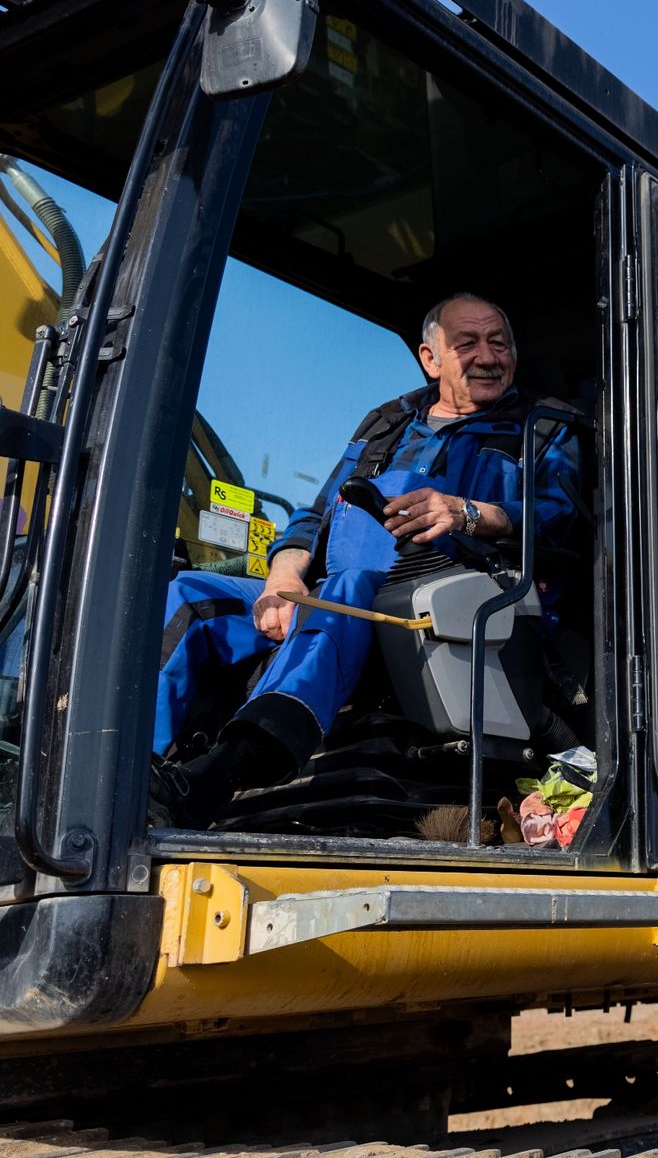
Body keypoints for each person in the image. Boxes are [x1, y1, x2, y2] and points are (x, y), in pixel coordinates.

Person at [151, 293, 581, 828]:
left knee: (349, 587)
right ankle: (139, 775)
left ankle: (233, 767)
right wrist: (283, 575)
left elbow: (558, 519)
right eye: (467, 343)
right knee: (188, 593)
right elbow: (314, 517)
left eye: (499, 343)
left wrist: (468, 512)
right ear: (431, 358)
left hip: (455, 612)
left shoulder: (542, 427)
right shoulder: (387, 422)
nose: (487, 356)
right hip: (336, 592)